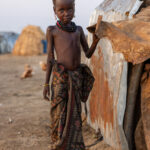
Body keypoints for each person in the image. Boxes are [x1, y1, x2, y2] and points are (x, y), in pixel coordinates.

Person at [43, 0, 100, 149]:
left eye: (70, 9)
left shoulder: (79, 30)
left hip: (75, 78)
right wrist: (46, 84)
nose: (66, 14)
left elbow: (87, 54)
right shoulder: (52, 31)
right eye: (61, 10)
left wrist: (95, 41)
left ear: (74, 9)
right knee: (58, 113)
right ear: (54, 10)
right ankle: (58, 144)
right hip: (59, 79)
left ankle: (73, 145)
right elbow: (50, 58)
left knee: (74, 114)